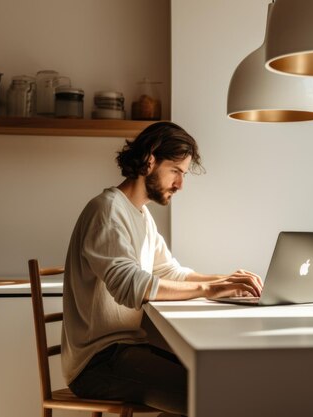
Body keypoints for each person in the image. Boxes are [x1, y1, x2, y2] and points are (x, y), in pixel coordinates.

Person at [61, 121, 262, 416]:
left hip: (127, 350)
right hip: (97, 363)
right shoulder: (106, 210)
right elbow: (132, 287)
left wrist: (227, 279)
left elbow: (169, 272)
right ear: (150, 159)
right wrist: (211, 288)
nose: (180, 184)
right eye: (176, 172)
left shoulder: (140, 215)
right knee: (210, 392)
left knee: (220, 378)